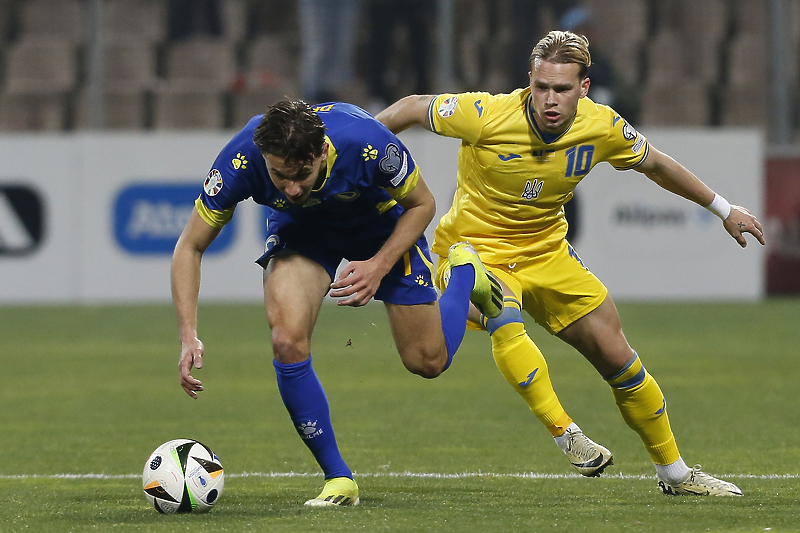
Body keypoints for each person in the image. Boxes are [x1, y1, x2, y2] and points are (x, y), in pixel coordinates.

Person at [376, 30, 765, 496]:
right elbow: (411, 107)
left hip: (548, 253)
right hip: (475, 252)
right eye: (541, 87)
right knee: (502, 313)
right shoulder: (486, 114)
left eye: (562, 89)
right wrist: (357, 149)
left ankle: (675, 475)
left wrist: (725, 209)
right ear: (529, 82)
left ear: (583, 88)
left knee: (620, 358)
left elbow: (657, 165)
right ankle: (568, 434)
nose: (549, 99)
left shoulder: (601, 126)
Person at [171, 100, 503, 507]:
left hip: (379, 225)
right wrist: (189, 334)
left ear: (323, 152)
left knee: (428, 361)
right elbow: (189, 246)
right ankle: (338, 478)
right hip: (303, 233)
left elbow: (423, 204)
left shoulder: (367, 144)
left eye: (301, 175)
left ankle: (467, 275)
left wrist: (379, 266)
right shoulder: (242, 157)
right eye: (279, 176)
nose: (290, 189)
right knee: (287, 339)